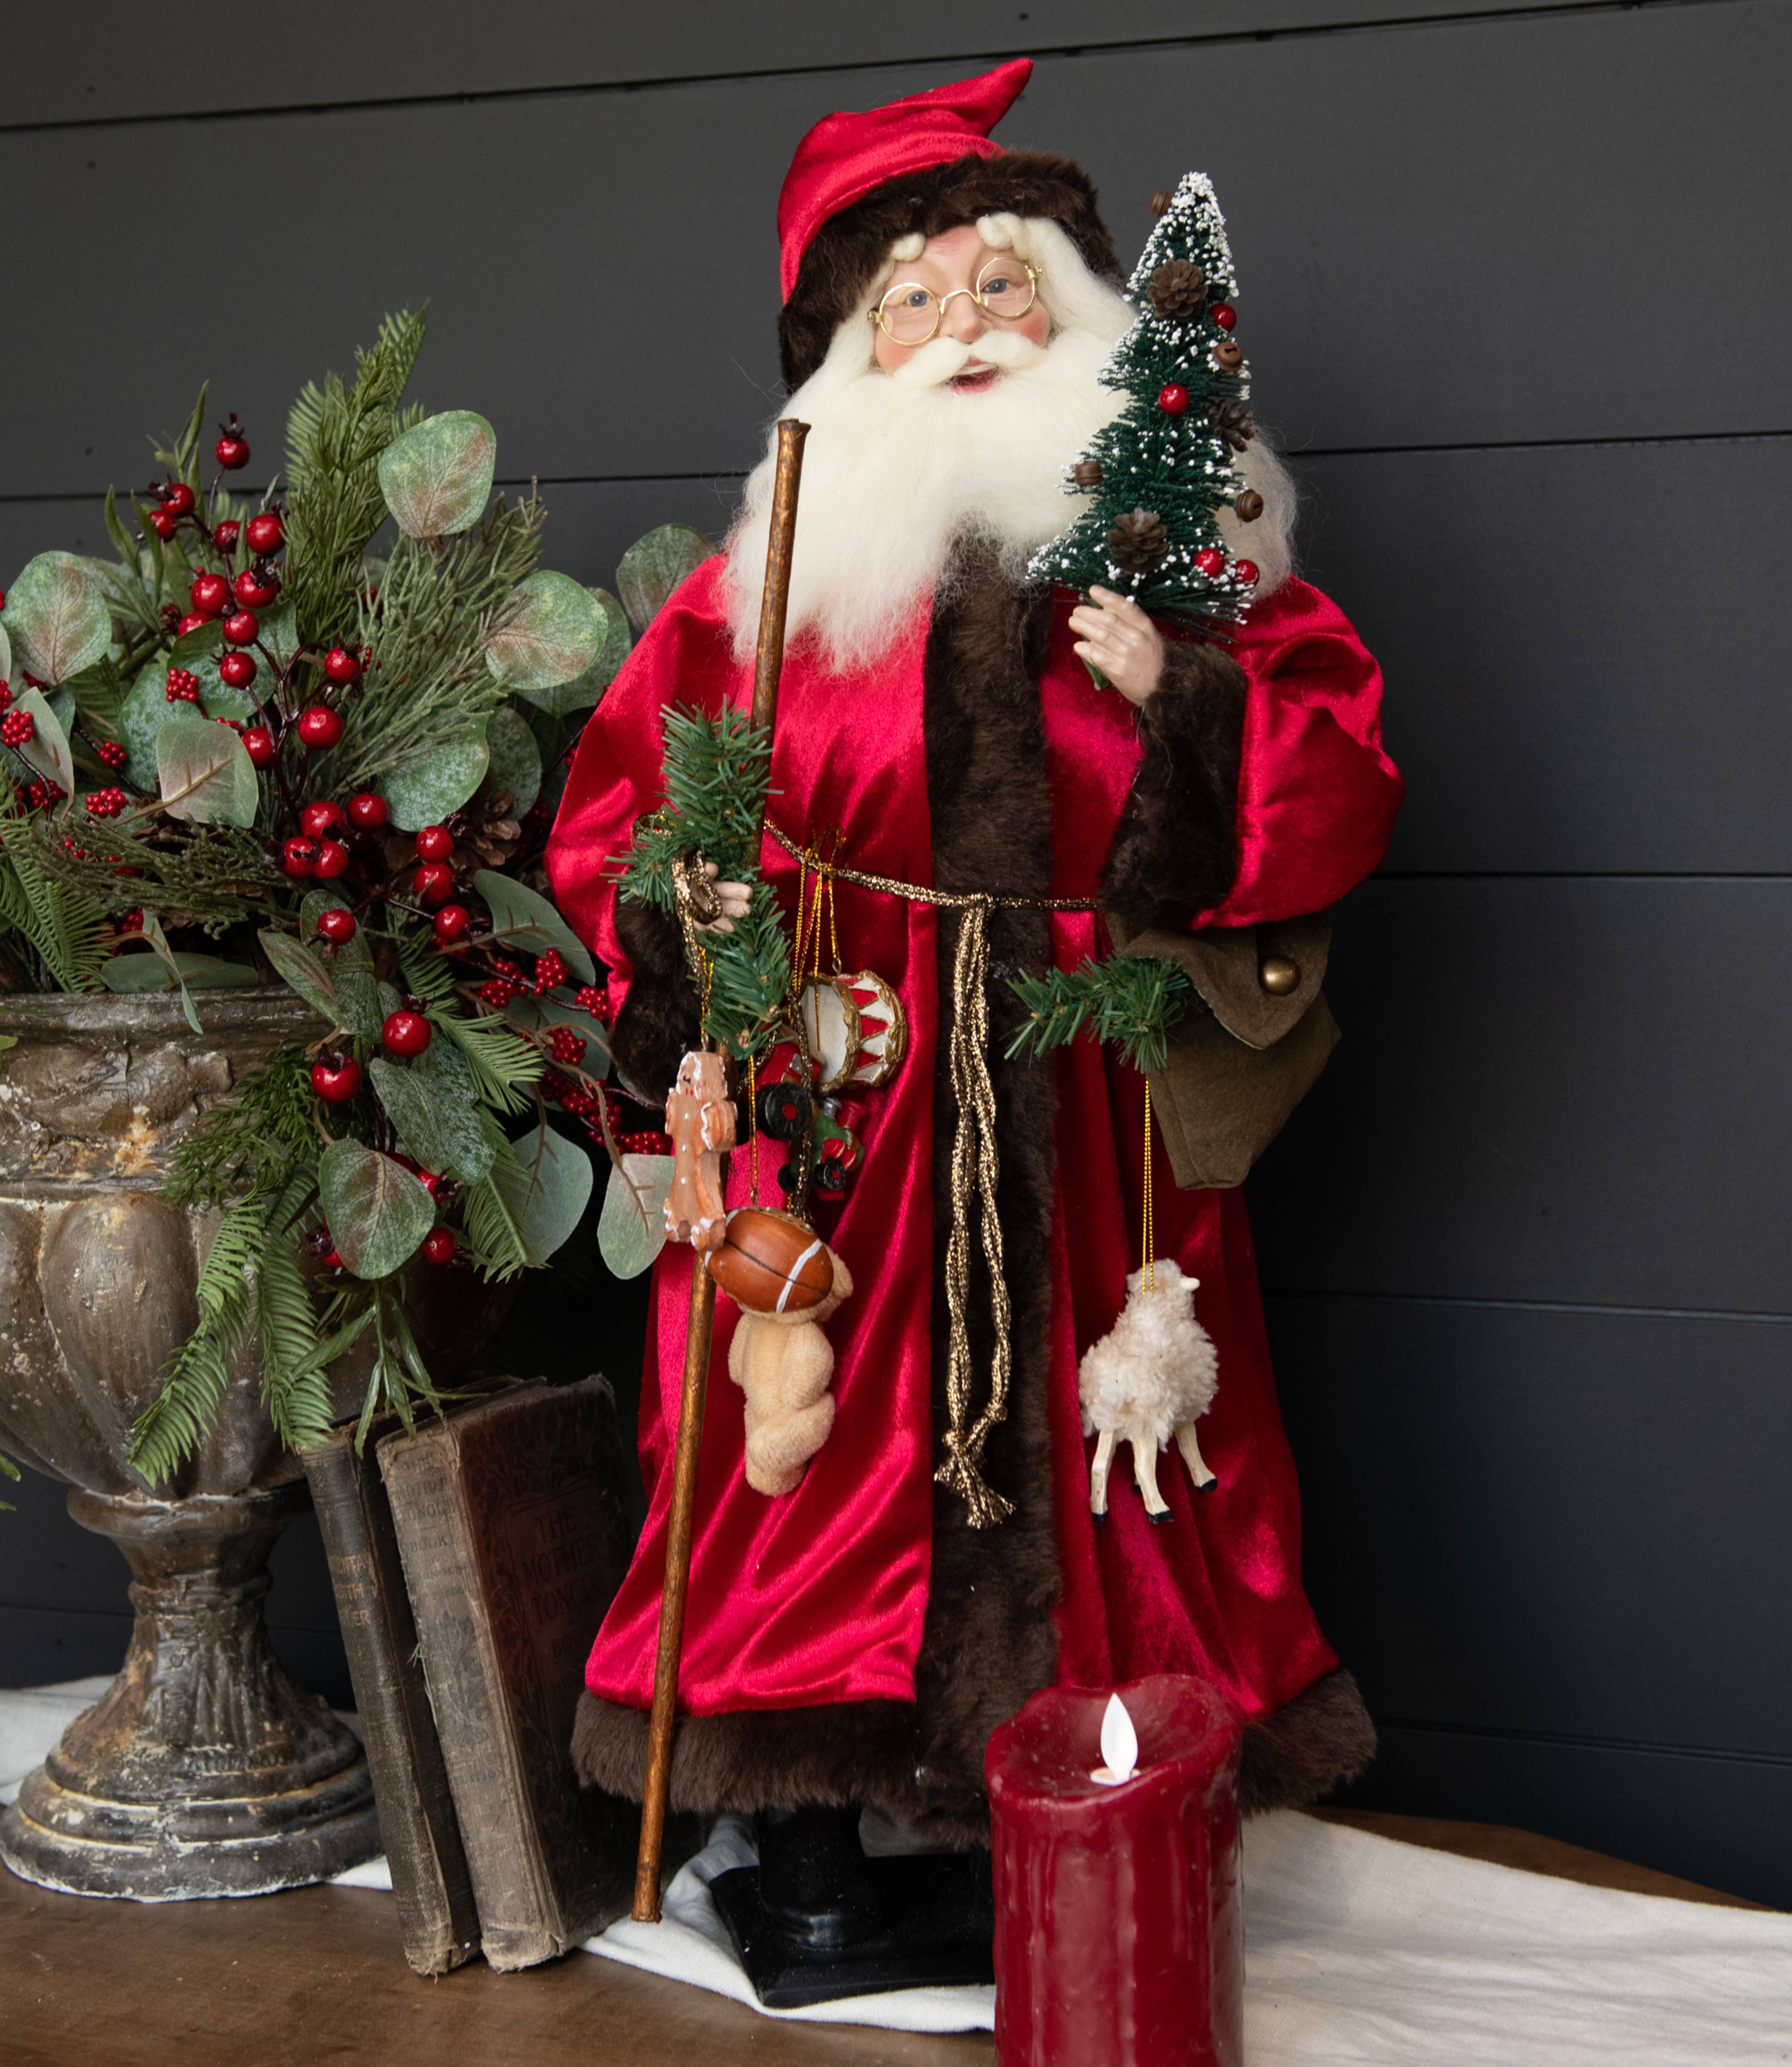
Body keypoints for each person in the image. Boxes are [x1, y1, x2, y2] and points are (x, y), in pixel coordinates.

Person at [545, 58, 1403, 1880]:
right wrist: (689, 922)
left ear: (1070, 308)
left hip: (1100, 1097)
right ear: (850, 353)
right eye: (910, 299)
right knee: (811, 1432)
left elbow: (1332, 771)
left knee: (1123, 1437)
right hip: (844, 1087)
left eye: (1000, 285)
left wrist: (1181, 706)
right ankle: (805, 1825)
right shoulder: (769, 582)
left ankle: (1103, 1800)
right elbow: (626, 813)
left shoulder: (1175, 547)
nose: (959, 326)